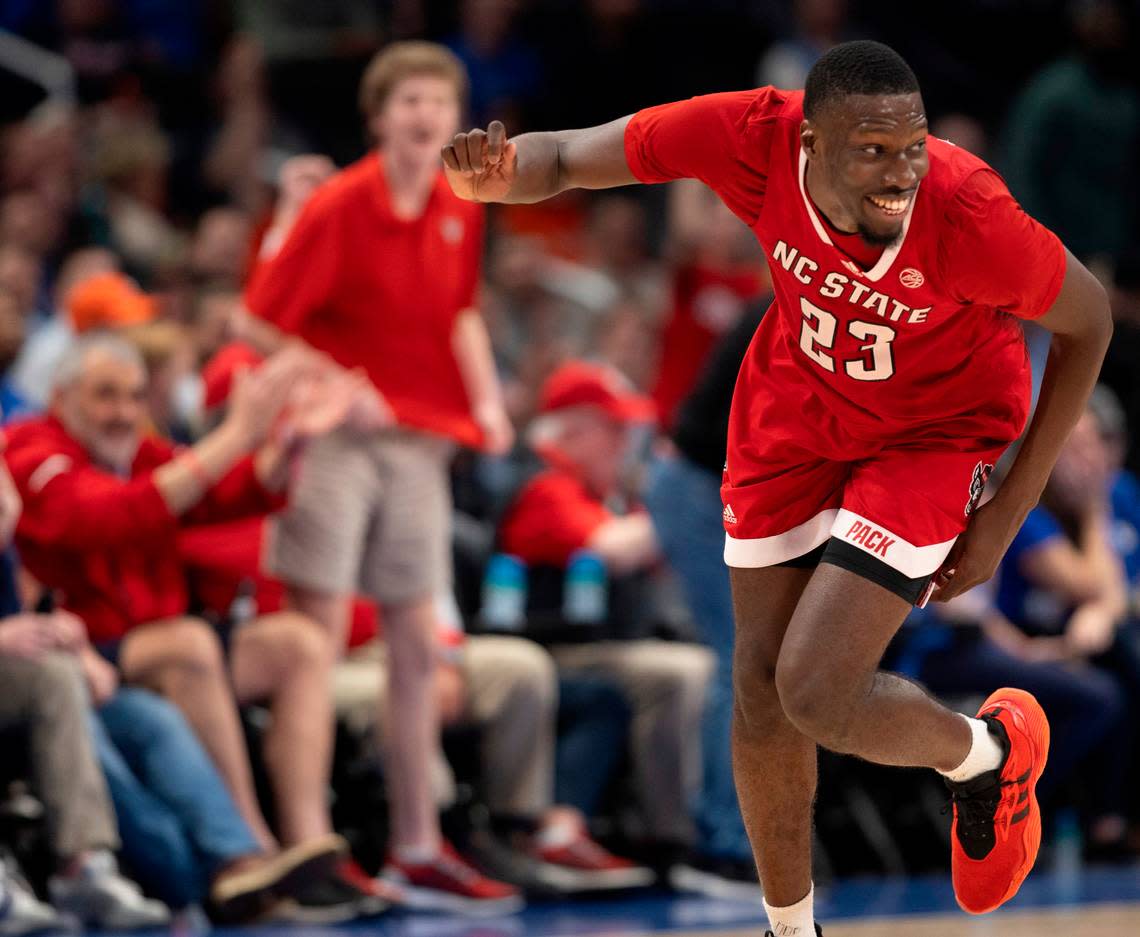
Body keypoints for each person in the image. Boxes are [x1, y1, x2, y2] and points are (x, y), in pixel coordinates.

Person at [442, 39, 1112, 935]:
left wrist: (1007, 516)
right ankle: (791, 930)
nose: (900, 172)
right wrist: (497, 179)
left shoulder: (970, 212)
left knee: (817, 690)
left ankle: (988, 755)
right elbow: (565, 156)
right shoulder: (749, 134)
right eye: (872, 151)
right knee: (759, 685)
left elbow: (1089, 321)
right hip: (795, 412)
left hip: (931, 433)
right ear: (807, 145)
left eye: (910, 146)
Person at [240, 41, 519, 912]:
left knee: (414, 642)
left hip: (416, 443)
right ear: (379, 116)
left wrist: (488, 402)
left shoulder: (458, 203)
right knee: (314, 641)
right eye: (409, 101)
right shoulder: (338, 203)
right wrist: (337, 385)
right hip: (333, 443)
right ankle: (309, 843)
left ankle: (415, 844)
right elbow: (256, 326)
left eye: (440, 101)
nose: (427, 115)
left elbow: (461, 311)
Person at [3, 335, 378, 921]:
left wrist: (288, 445)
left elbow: (229, 495)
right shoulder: (32, 448)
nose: (123, 412)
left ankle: (309, 845)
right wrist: (237, 433)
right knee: (190, 644)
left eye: (133, 396)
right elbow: (104, 518)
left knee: (298, 644)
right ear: (61, 396)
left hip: (148, 644)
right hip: (93, 646)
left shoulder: (141, 453)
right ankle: (254, 853)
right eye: (105, 396)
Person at [496, 361, 715, 867]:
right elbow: (610, 548)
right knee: (680, 674)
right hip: (549, 649)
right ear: (574, 431)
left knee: (699, 664)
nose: (626, 444)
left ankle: (690, 829)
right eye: (614, 430)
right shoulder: (547, 487)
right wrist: (684, 502)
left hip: (592, 648)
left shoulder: (602, 494)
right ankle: (674, 841)